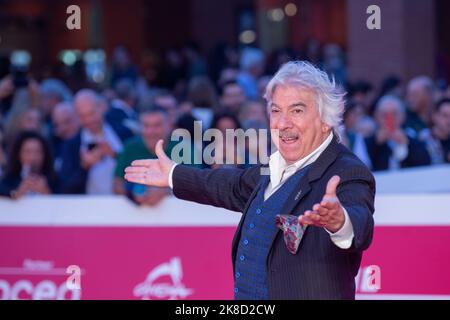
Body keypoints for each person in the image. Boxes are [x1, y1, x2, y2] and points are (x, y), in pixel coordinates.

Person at [124, 61, 375, 300]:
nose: (283, 123)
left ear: (325, 121)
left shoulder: (348, 171)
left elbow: (359, 225)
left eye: (297, 110)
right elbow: (228, 185)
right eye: (276, 111)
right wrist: (172, 174)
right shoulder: (273, 166)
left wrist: (340, 222)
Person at [58, 89, 123, 194]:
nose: (89, 120)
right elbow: (65, 189)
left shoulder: (124, 133)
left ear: (101, 107)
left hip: (122, 206)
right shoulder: (71, 146)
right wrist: (84, 166)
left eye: (91, 113)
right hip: (88, 207)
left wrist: (115, 155)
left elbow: (137, 168)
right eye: (82, 116)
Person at [365, 95, 431, 171]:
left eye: (394, 114)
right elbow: (363, 166)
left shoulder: (415, 142)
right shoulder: (367, 142)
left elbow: (425, 165)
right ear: (376, 117)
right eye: (384, 115)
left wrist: (407, 144)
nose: (389, 120)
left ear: (402, 117)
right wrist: (375, 143)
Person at [0, 131, 58, 198]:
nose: (32, 157)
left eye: (38, 152)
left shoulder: (53, 179)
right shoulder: (10, 178)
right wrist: (17, 193)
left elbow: (65, 198)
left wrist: (46, 192)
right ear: (18, 154)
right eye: (28, 152)